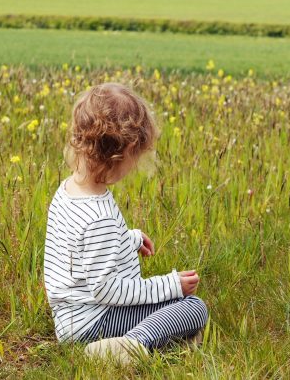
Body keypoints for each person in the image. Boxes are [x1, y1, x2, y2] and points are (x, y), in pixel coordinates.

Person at [43, 82, 208, 363]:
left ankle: (156, 337)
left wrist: (129, 240)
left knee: (175, 310)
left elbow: (81, 252)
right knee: (192, 307)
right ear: (123, 153)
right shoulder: (100, 218)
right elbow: (107, 289)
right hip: (95, 322)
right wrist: (169, 285)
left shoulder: (68, 191)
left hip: (70, 318)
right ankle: (130, 344)